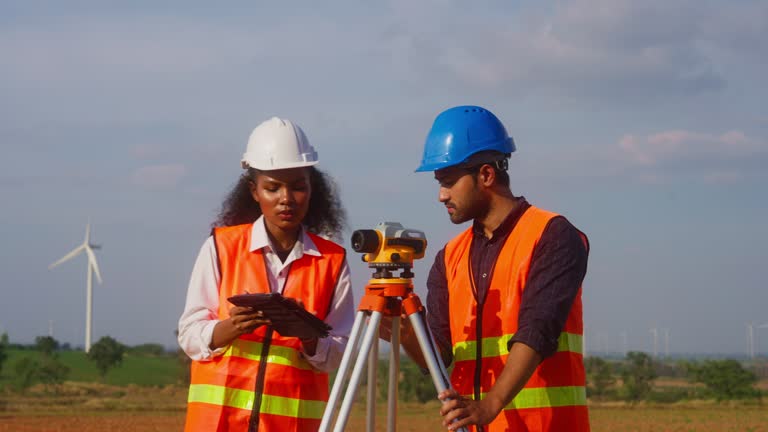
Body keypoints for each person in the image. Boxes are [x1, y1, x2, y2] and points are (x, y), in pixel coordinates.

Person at [392, 105, 590, 431]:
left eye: (449, 181)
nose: (441, 195)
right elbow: (439, 356)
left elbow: (537, 331)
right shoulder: (449, 257)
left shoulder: (552, 235)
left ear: (485, 175)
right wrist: (404, 336)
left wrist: (489, 406)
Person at [177, 117, 354, 432]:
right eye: (272, 188)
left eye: (298, 186)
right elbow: (189, 334)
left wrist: (309, 336)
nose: (286, 198)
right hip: (221, 424)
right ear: (254, 191)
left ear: (313, 188)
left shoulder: (333, 261)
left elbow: (341, 353)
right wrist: (229, 328)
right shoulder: (221, 247)